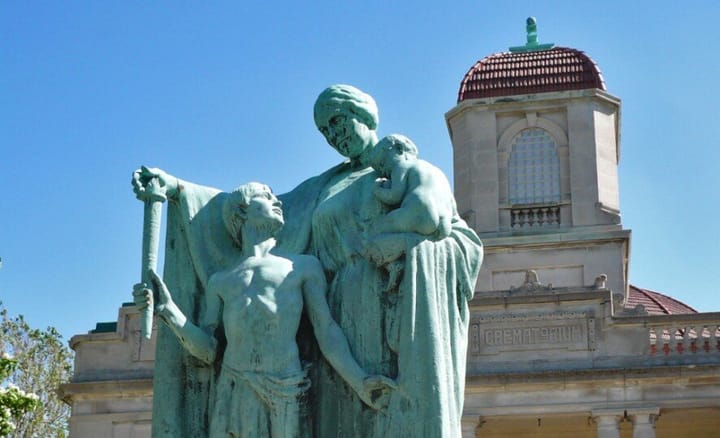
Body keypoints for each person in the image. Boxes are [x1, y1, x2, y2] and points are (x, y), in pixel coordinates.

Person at [132, 84, 483, 437]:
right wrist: (176, 188)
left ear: (363, 113)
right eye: (325, 130)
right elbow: (242, 210)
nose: (334, 135)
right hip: (338, 310)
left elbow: (451, 233)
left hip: (388, 310)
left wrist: (412, 248)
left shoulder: (403, 170)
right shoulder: (322, 187)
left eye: (337, 121)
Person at [133, 182, 393, 437]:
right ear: (241, 211)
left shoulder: (302, 267)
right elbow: (209, 351)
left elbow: (326, 330)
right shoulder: (220, 281)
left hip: (286, 389)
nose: (276, 201)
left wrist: (359, 381)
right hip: (232, 389)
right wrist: (168, 310)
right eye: (266, 196)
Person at [363, 133, 457, 291]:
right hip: (444, 222)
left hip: (420, 210)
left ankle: (392, 264)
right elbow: (452, 206)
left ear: (399, 149)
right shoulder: (435, 171)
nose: (384, 171)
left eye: (383, 163)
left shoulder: (402, 166)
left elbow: (394, 195)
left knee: (376, 229)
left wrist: (378, 190)